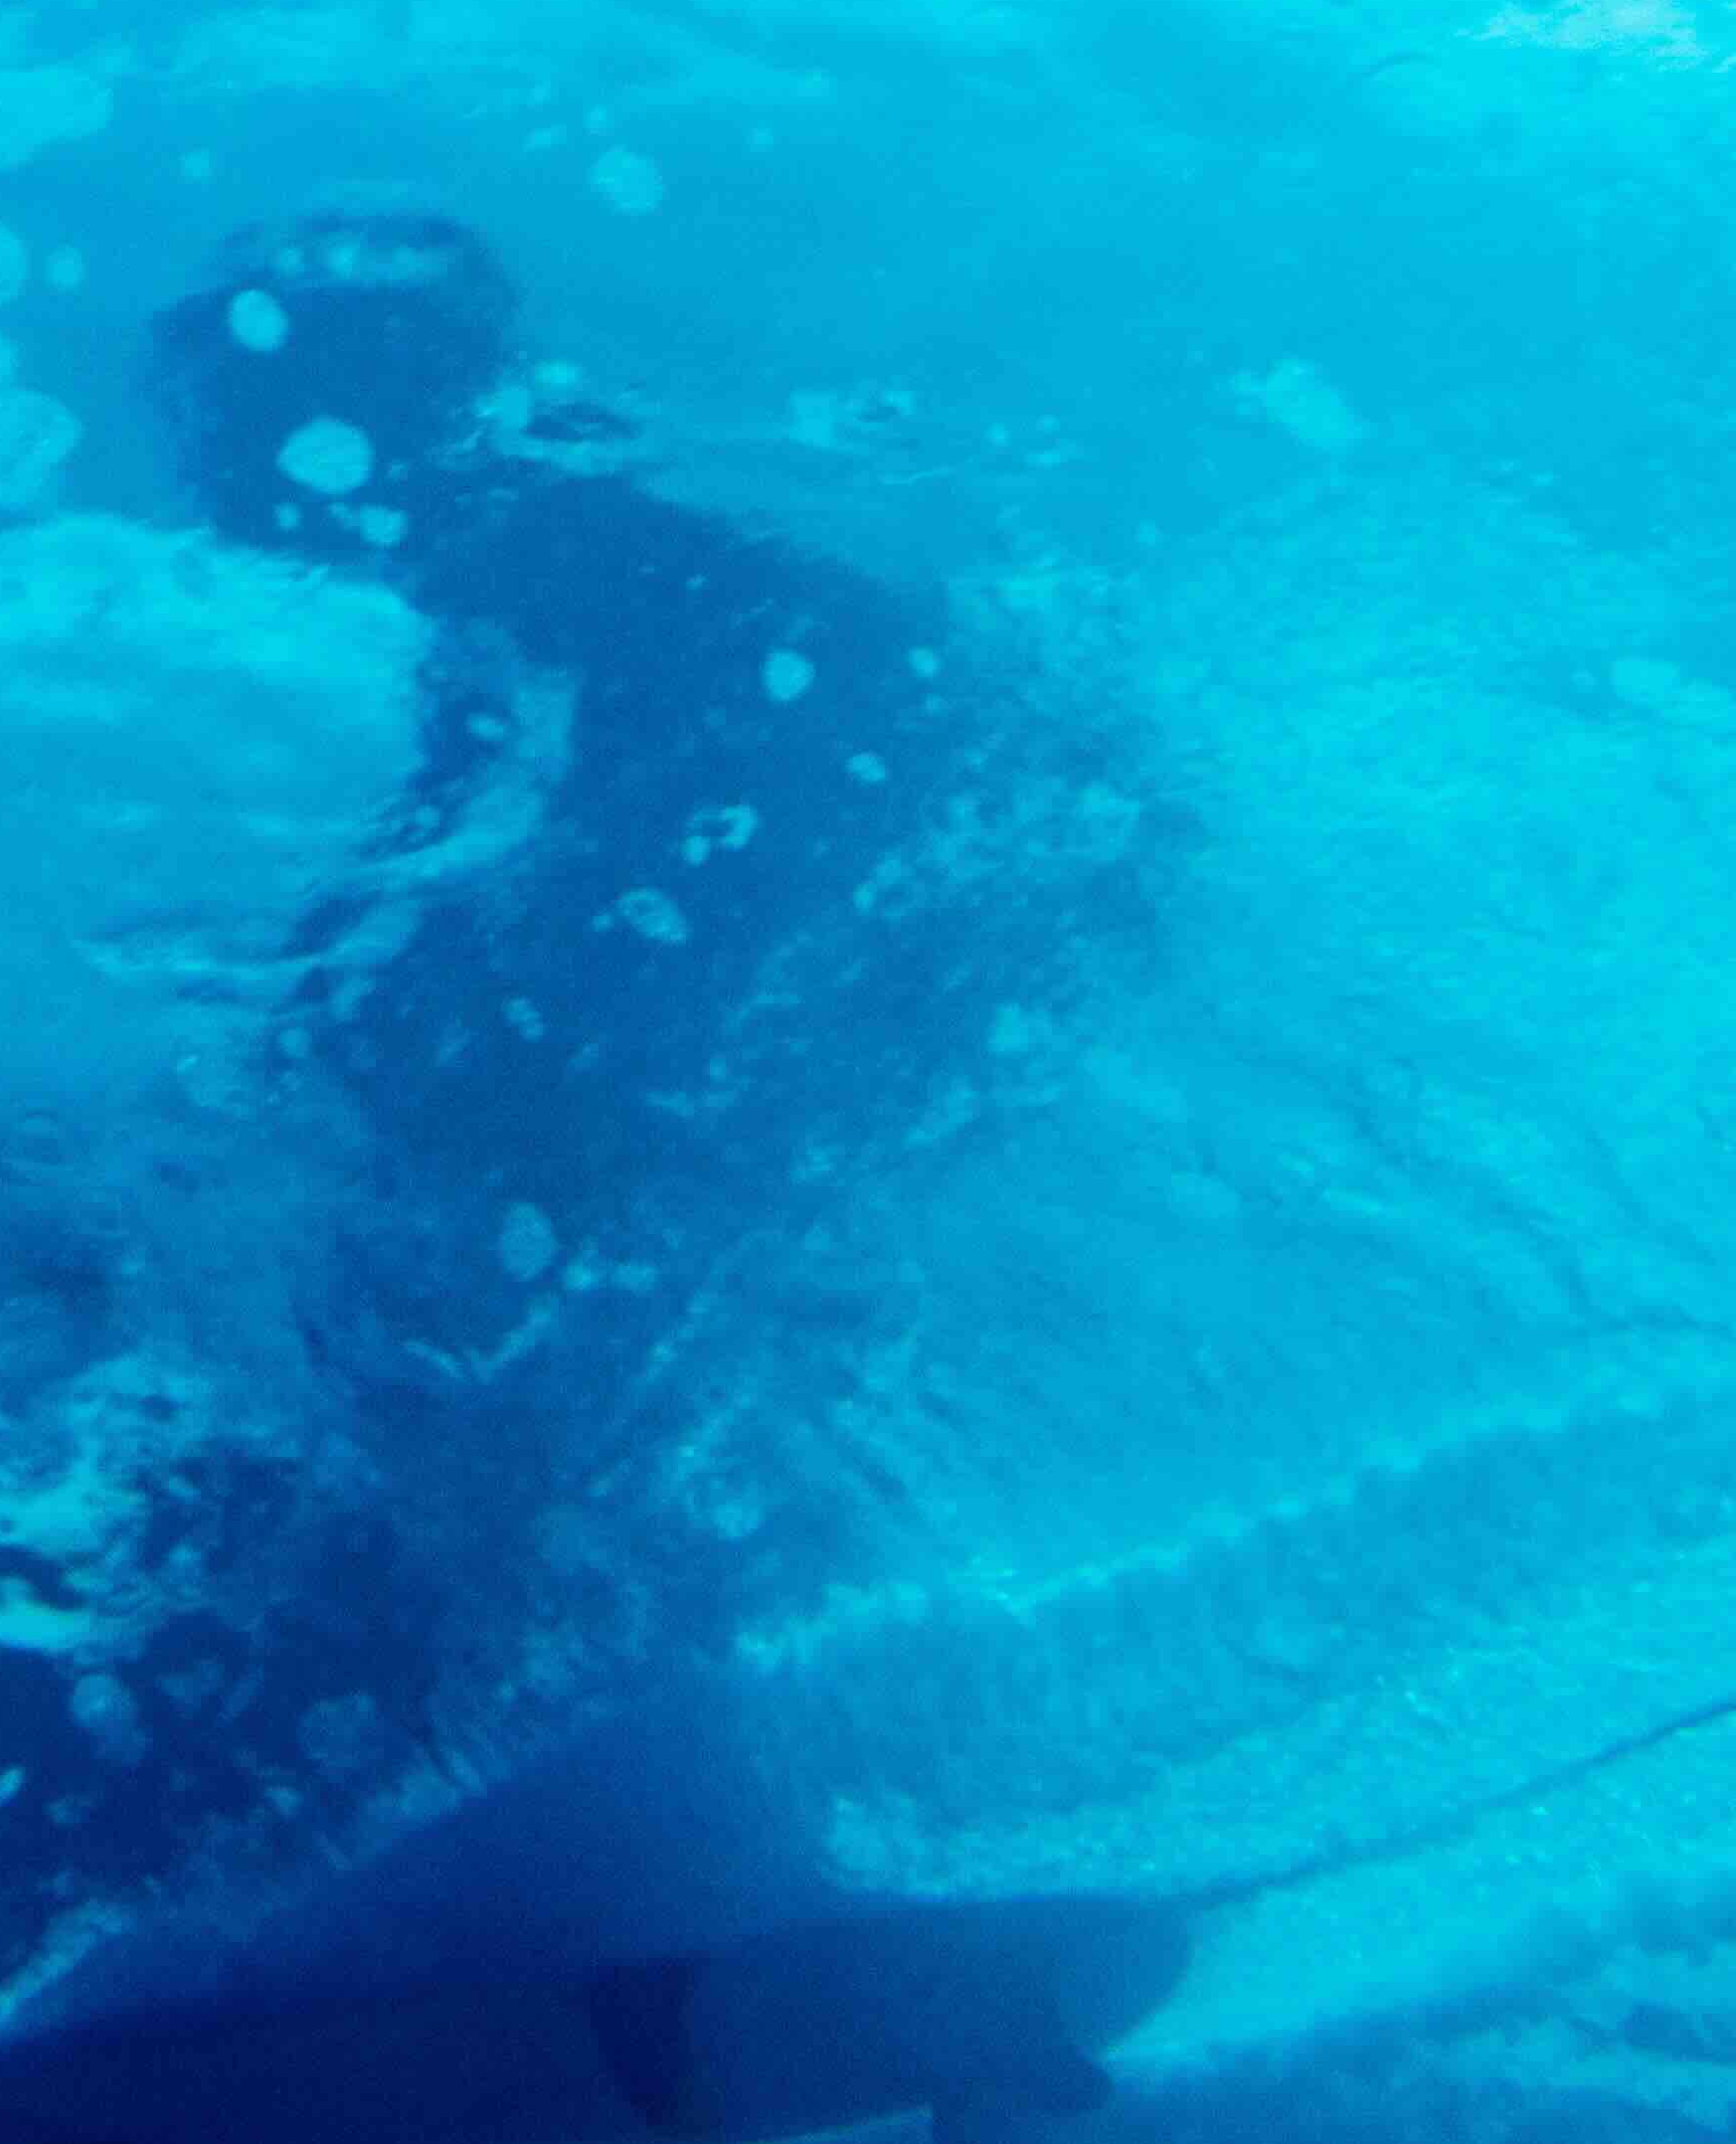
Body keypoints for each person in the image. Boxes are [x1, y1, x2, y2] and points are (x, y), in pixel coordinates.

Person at [143, 212, 1134, 1634]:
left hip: (938, 789)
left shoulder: (502, 515)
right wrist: (330, 960)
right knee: (589, 1145)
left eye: (222, 408)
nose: (194, 455)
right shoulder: (506, 500)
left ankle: (549, 1570)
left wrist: (380, 986)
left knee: (537, 1130)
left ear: (338, 412)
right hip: (998, 779)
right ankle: (671, 1538)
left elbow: (666, 731)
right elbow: (479, 767)